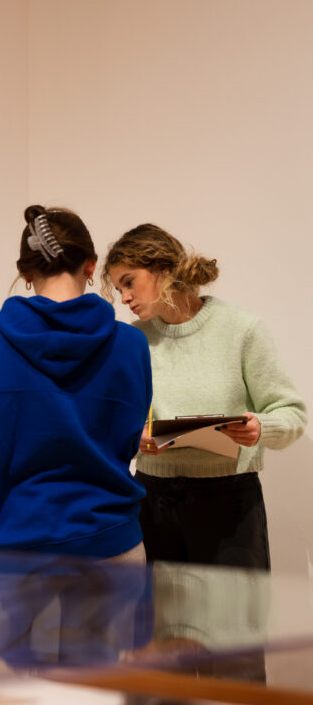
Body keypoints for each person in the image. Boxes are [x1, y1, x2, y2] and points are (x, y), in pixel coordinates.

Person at [0, 205, 153, 561]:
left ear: (26, 272)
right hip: (111, 540)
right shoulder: (131, 345)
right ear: (91, 265)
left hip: (15, 542)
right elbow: (129, 439)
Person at [103, 224, 307, 569]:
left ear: (162, 270)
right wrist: (133, 435)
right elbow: (115, 419)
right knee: (162, 621)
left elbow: (292, 414)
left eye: (128, 282)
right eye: (119, 287)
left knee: (234, 620)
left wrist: (260, 427)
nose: (124, 297)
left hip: (230, 503)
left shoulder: (242, 329)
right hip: (153, 500)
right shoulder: (131, 340)